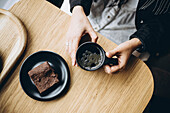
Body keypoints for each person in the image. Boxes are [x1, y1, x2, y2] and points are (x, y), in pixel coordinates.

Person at [65, 0, 170, 74]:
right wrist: (77, 8)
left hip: (136, 26)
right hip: (83, 9)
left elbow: (165, 23)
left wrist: (137, 41)